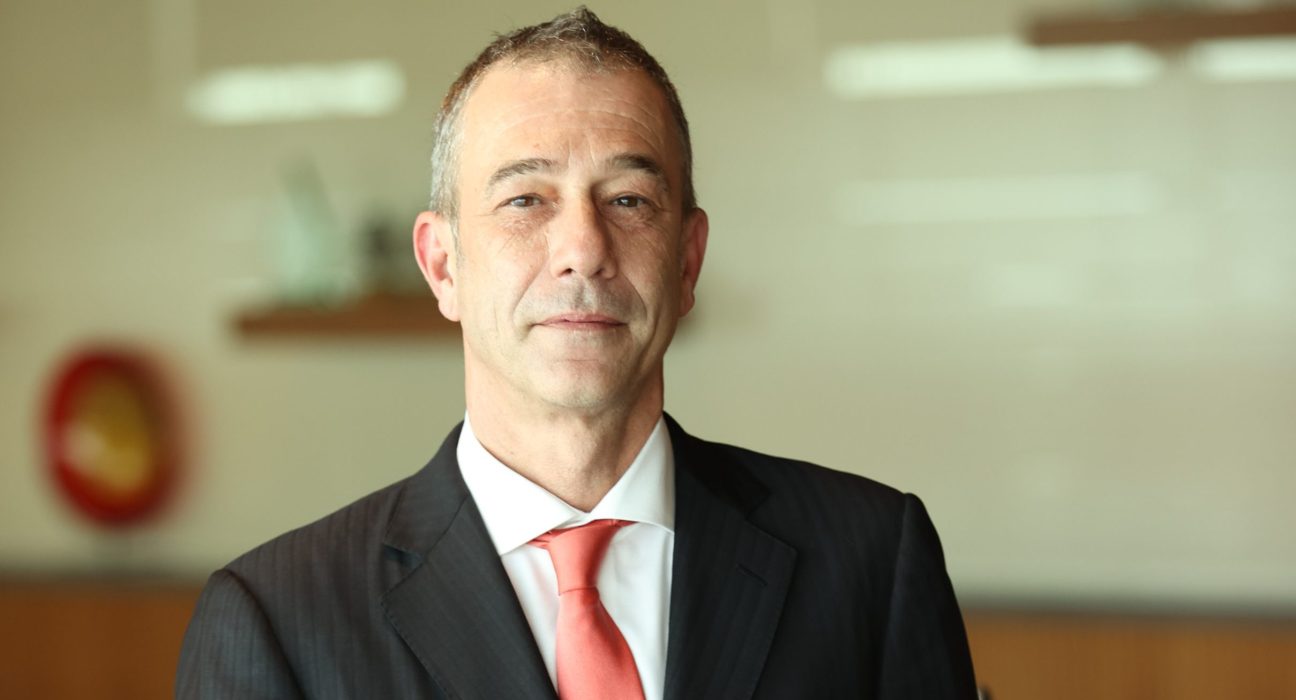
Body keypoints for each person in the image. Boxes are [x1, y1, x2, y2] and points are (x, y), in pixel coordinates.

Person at [176, 8, 977, 699]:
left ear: (687, 260)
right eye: (525, 199)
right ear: (443, 265)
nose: (584, 250)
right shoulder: (279, 617)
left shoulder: (869, 559)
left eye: (628, 200)